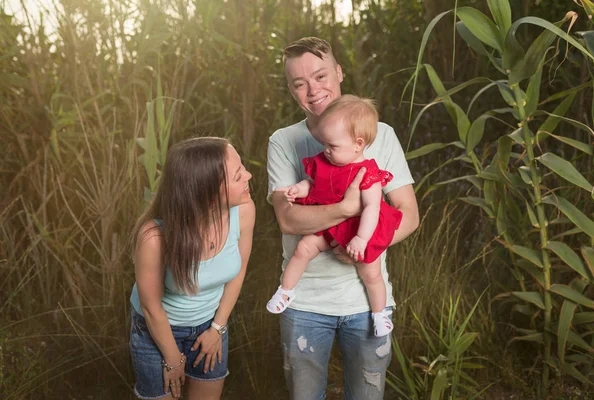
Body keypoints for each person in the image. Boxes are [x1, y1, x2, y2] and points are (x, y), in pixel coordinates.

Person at [267, 37, 419, 399]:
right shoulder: (283, 141)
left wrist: (362, 248)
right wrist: (346, 211)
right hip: (304, 304)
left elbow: (409, 216)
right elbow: (287, 220)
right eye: (299, 83)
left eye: (320, 76)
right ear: (290, 90)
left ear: (339, 72)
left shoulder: (381, 135)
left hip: (366, 304)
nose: (312, 89)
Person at [129, 137, 255, 400]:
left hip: (210, 324)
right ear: (207, 191)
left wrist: (217, 328)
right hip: (158, 331)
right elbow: (151, 307)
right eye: (238, 175)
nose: (249, 176)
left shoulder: (243, 211)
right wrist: (173, 358)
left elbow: (238, 271)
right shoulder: (154, 237)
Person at [266, 95, 401, 337]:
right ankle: (286, 290)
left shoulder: (368, 173)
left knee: (371, 272)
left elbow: (372, 208)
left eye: (333, 146)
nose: (326, 151)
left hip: (357, 229)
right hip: (328, 223)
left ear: (358, 144)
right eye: (324, 144)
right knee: (303, 249)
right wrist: (299, 189)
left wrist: (360, 238)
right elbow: (312, 183)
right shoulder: (325, 161)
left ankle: (379, 313)